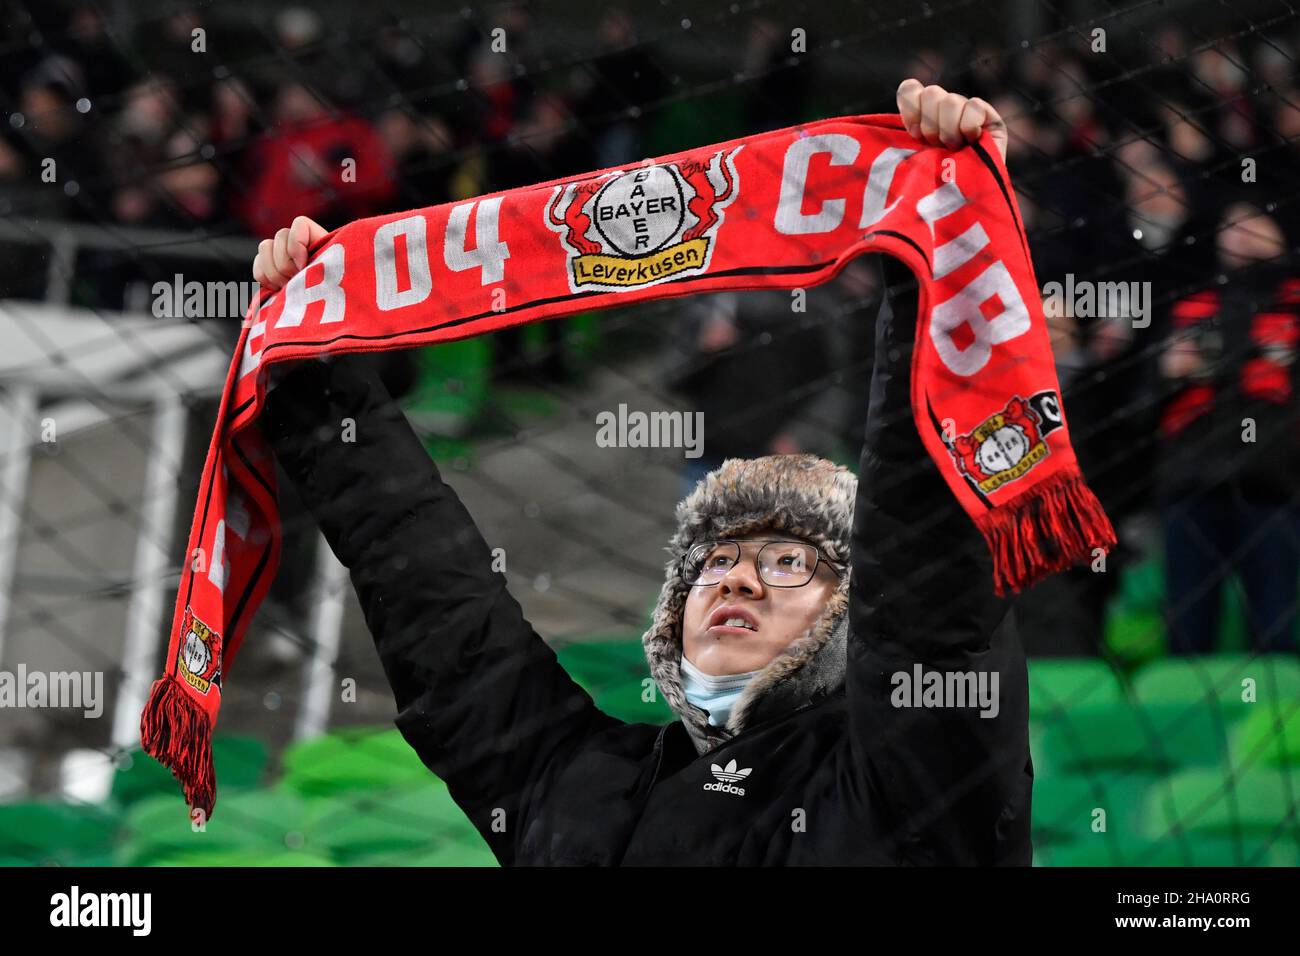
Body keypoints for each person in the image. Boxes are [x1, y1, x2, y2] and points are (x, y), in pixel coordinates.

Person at [252, 80, 1031, 864]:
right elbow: (442, 614)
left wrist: (937, 257)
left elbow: (932, 604)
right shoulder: (573, 780)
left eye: (790, 562)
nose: (737, 581)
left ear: (856, 620)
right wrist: (314, 377)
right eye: (717, 561)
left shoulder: (906, 788)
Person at [1155, 200, 1300, 654]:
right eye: (1230, 223)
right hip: (1192, 486)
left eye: (1253, 219)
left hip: (1275, 488)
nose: (1239, 232)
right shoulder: (1189, 306)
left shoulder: (1294, 302)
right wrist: (1167, 372)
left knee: (1275, 628)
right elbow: (1141, 404)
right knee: (1188, 632)